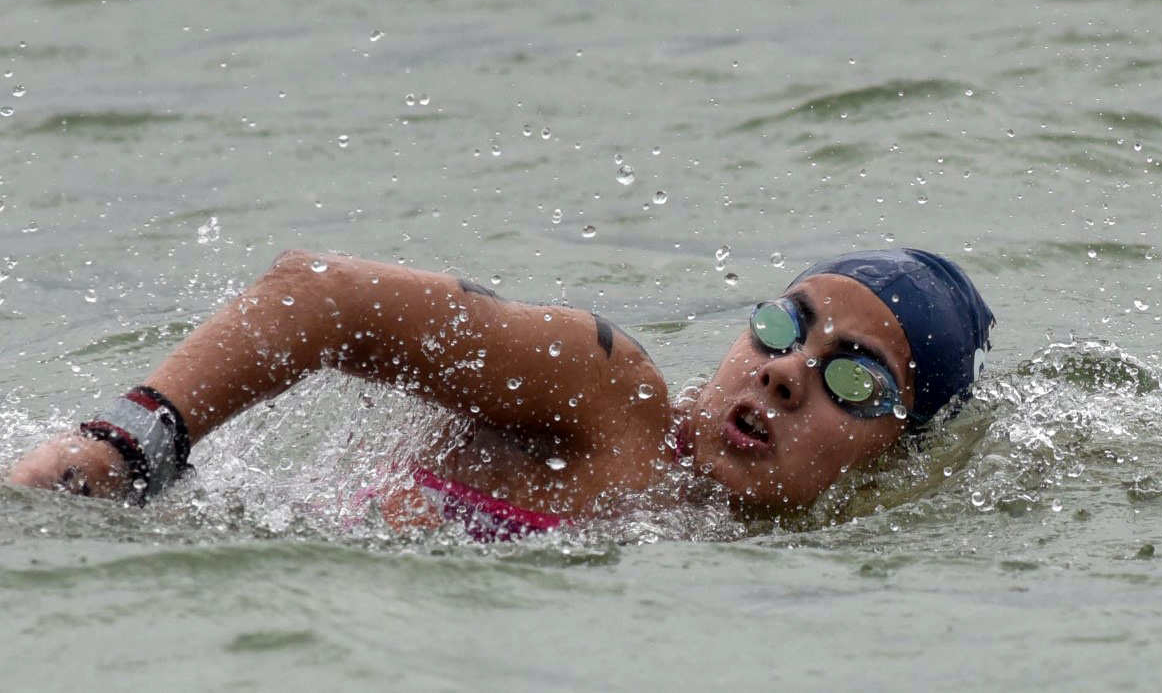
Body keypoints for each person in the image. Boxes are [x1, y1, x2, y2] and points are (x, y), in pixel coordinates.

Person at [6, 247, 994, 541]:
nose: (785, 369)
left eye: (852, 376)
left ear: (899, 456)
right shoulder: (608, 393)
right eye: (782, 325)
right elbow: (323, 295)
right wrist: (128, 445)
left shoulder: (765, 551)